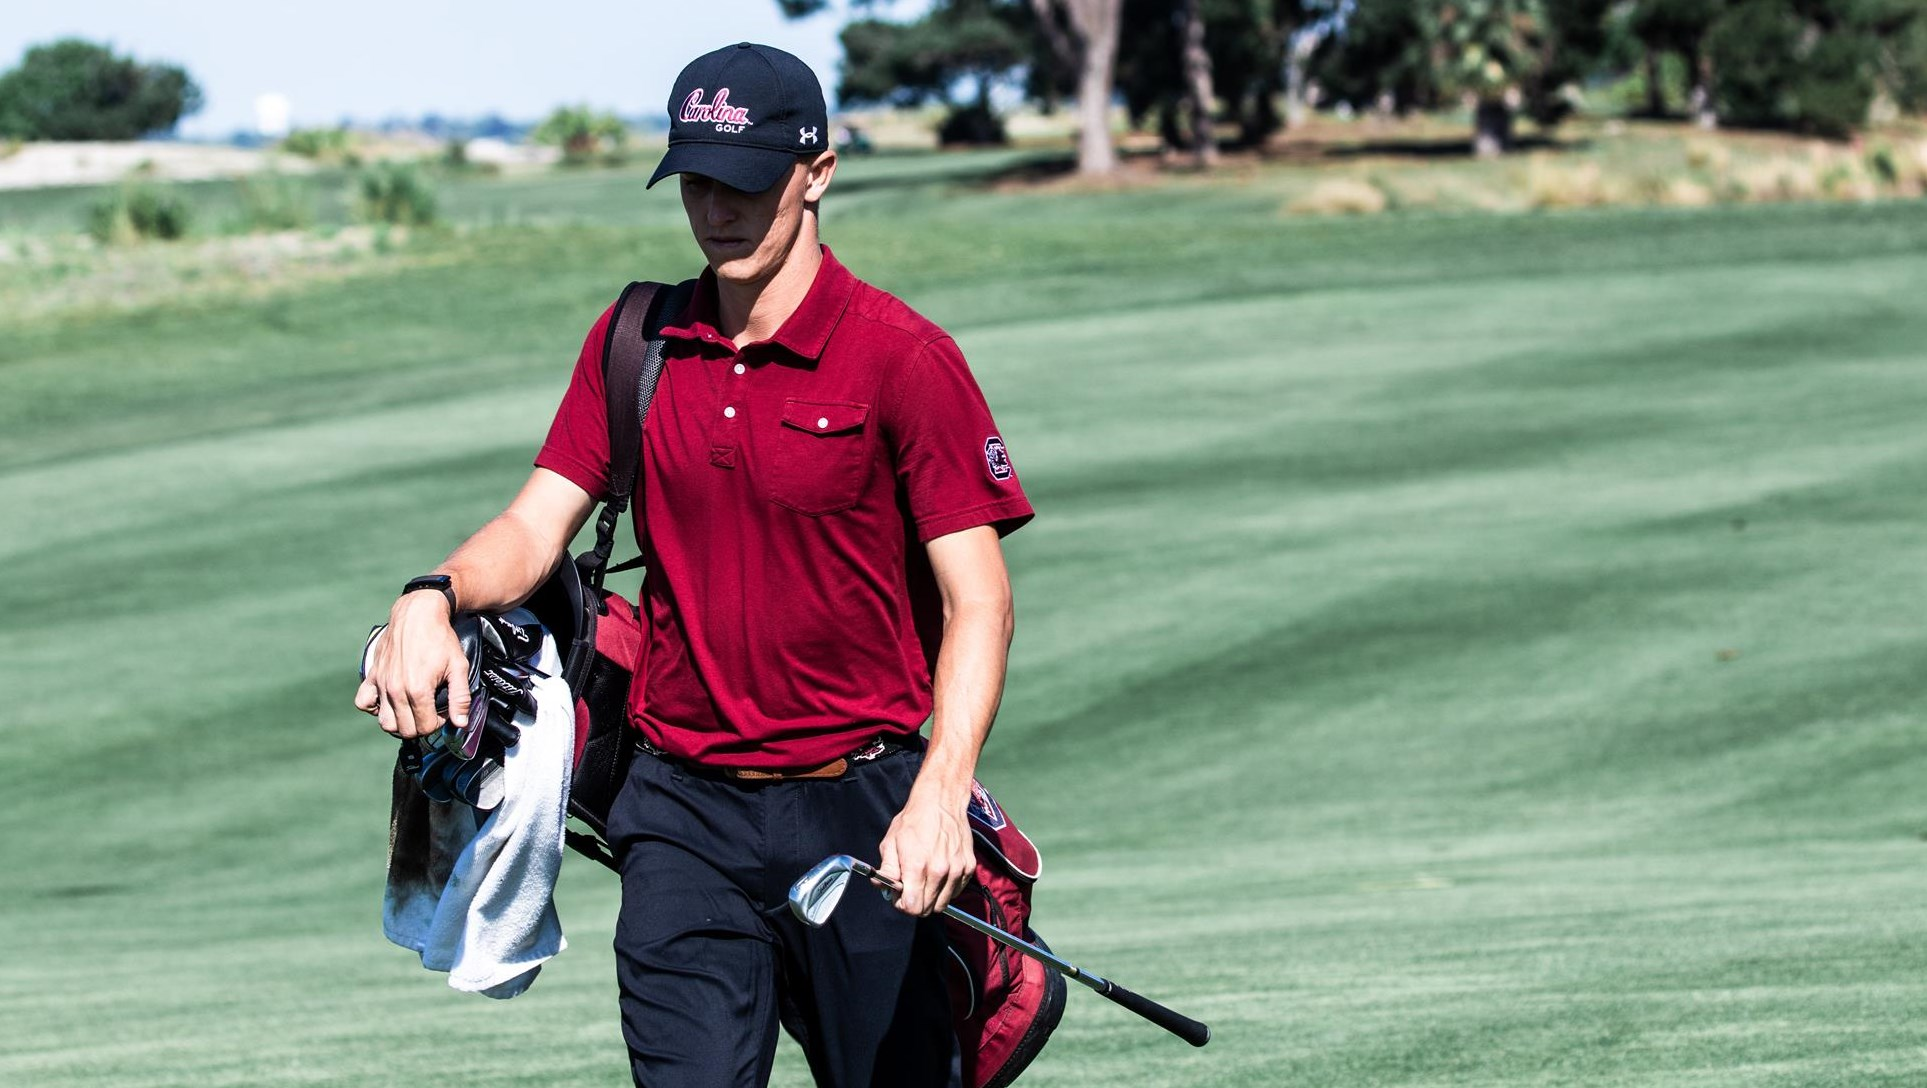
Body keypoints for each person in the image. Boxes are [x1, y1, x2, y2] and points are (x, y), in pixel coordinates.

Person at [354, 42, 1033, 1088]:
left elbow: (979, 600)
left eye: (749, 181)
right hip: (681, 816)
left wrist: (941, 793)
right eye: (698, 180)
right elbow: (534, 526)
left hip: (865, 808)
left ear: (818, 173)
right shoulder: (639, 337)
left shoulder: (901, 356)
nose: (719, 209)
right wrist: (429, 594)